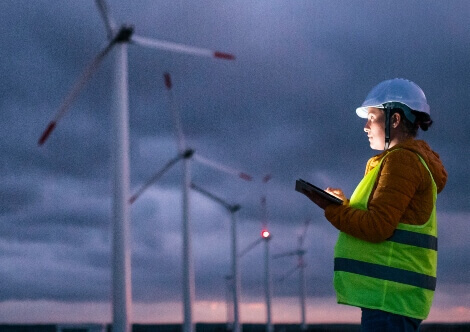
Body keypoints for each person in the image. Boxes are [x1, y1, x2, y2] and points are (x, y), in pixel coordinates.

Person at [303, 78, 447, 331]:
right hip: (393, 300)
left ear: (395, 119)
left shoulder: (402, 161)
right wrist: (344, 204)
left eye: (372, 117)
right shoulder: (402, 161)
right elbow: (385, 218)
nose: (366, 127)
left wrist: (333, 208)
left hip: (389, 300)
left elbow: (378, 226)